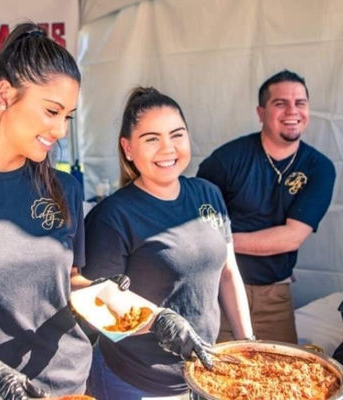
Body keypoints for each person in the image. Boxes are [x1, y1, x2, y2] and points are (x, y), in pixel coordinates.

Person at [0, 23, 210, 400]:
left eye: (68, 116)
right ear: (5, 95)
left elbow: (71, 285)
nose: (60, 130)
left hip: (66, 387)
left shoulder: (64, 187)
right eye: (52, 111)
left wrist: (152, 317)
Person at [83, 87, 253, 400]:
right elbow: (95, 303)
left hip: (203, 374)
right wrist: (156, 322)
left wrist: (248, 343)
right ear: (128, 148)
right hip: (136, 381)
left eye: (177, 135)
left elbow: (229, 273)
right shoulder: (112, 216)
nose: (168, 149)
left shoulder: (208, 194)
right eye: (152, 139)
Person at [197, 69, 336, 344]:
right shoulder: (226, 161)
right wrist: (218, 247)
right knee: (220, 374)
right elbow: (197, 226)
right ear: (261, 113)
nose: (292, 111)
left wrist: (223, 242)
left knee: (282, 376)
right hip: (219, 289)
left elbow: (291, 238)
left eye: (300, 103)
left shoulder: (319, 168)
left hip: (275, 296)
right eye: (280, 103)